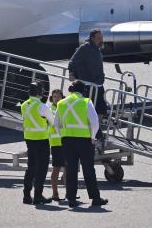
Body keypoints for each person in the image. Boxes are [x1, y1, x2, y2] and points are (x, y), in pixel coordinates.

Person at [54, 80, 108, 208]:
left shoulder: (61, 103)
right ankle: (95, 198)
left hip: (67, 141)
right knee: (88, 169)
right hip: (85, 141)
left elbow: (56, 123)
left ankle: (71, 199)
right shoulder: (86, 102)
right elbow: (95, 122)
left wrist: (62, 135)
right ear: (83, 91)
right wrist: (93, 137)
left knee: (71, 170)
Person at [68, 29, 106, 138]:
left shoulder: (97, 49)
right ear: (93, 38)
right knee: (90, 109)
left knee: (101, 110)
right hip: (88, 85)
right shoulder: (85, 48)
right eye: (99, 38)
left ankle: (96, 130)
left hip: (98, 85)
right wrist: (71, 73)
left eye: (101, 38)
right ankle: (92, 132)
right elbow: (72, 61)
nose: (101, 40)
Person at [21, 82, 54, 205]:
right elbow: (53, 121)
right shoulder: (42, 106)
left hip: (29, 139)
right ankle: (38, 196)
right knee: (41, 169)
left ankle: (26, 195)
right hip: (41, 140)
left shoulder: (24, 105)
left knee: (31, 168)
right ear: (40, 93)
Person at [48, 89, 66, 201]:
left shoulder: (63, 108)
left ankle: (69, 192)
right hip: (56, 143)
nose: (56, 98)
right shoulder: (51, 110)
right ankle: (55, 193)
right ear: (52, 98)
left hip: (65, 142)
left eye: (58, 96)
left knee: (68, 168)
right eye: (54, 96)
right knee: (56, 169)